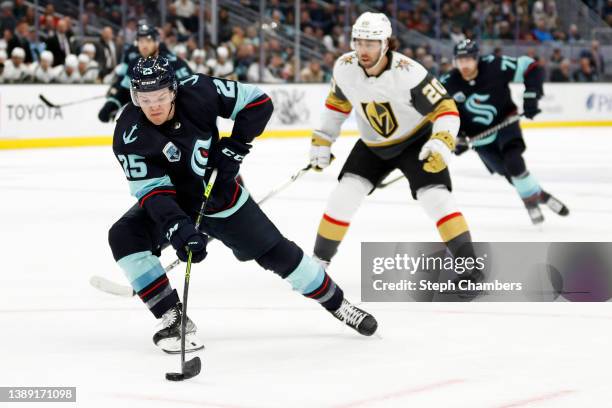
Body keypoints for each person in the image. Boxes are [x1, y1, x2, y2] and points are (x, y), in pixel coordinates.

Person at [108, 56, 378, 354]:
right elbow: (152, 192)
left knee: (279, 254)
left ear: (173, 90)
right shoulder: (129, 131)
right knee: (124, 235)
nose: (153, 106)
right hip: (174, 202)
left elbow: (258, 102)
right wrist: (176, 227)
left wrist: (236, 146)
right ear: (134, 96)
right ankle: (173, 318)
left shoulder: (199, 89)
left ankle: (339, 304)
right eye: (144, 99)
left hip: (220, 197)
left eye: (160, 97)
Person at [309, 12, 478, 278]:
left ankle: (470, 269)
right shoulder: (344, 67)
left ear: (386, 43)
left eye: (371, 43)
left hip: (416, 140)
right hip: (372, 145)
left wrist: (442, 141)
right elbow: (337, 105)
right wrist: (322, 139)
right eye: (359, 42)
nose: (363, 50)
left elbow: (445, 109)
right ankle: (318, 263)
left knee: (436, 198)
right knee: (342, 197)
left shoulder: (409, 73)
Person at [440, 39, 568, 225]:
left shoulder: (494, 66)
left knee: (513, 161)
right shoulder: (447, 83)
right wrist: (455, 137)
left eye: (468, 59)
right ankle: (539, 195)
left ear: (477, 58)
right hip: (479, 139)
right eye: (460, 60)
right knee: (509, 173)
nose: (464, 65)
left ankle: (529, 202)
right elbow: (441, 115)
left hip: (505, 123)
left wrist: (531, 96)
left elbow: (532, 67)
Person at [97, 21, 192, 123]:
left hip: (173, 118)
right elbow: (125, 89)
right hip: (147, 118)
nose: (144, 45)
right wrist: (112, 103)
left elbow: (189, 89)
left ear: (157, 42)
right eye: (141, 41)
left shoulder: (173, 61)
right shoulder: (135, 64)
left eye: (148, 40)